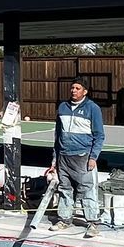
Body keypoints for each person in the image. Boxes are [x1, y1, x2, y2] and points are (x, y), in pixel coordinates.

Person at [45, 78, 106, 237]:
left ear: (84, 92)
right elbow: (58, 135)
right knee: (65, 189)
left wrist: (93, 157)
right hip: (64, 157)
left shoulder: (93, 109)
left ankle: (93, 223)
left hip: (83, 157)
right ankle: (64, 219)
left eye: (78, 88)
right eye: (72, 87)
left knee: (87, 191)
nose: (74, 90)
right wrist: (54, 159)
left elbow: (99, 136)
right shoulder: (63, 107)